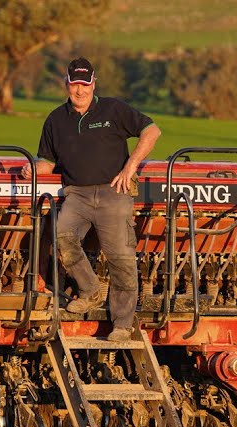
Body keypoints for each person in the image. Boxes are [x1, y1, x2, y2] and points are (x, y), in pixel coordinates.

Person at [22, 57, 161, 342]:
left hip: (114, 192)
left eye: (85, 84)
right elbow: (46, 163)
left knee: (121, 257)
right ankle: (90, 290)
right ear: (66, 84)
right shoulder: (56, 120)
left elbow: (152, 130)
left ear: (93, 84)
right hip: (76, 194)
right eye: (75, 84)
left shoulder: (113, 109)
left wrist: (130, 166)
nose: (80, 90)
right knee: (61, 236)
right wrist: (30, 169)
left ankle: (122, 324)